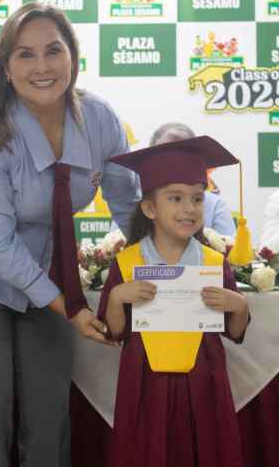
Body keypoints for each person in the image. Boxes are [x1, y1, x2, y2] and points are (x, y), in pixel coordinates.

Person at [0, 1, 140, 467]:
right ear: (5, 67)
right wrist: (71, 307)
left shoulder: (100, 119)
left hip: (47, 269)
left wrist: (164, 266)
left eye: (53, 50)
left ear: (73, 57)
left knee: (49, 415)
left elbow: (127, 201)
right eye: (25, 54)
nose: (42, 66)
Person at [98, 136, 249, 467]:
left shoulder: (214, 263)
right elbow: (114, 331)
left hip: (204, 379)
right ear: (150, 208)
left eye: (197, 198)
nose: (189, 208)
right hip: (145, 381)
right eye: (176, 198)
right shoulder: (127, 262)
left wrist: (240, 306)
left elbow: (234, 331)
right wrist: (117, 298)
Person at [149, 122, 236, 236]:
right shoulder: (137, 203)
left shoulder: (215, 206)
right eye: (166, 157)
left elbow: (229, 246)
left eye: (183, 156)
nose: (175, 164)